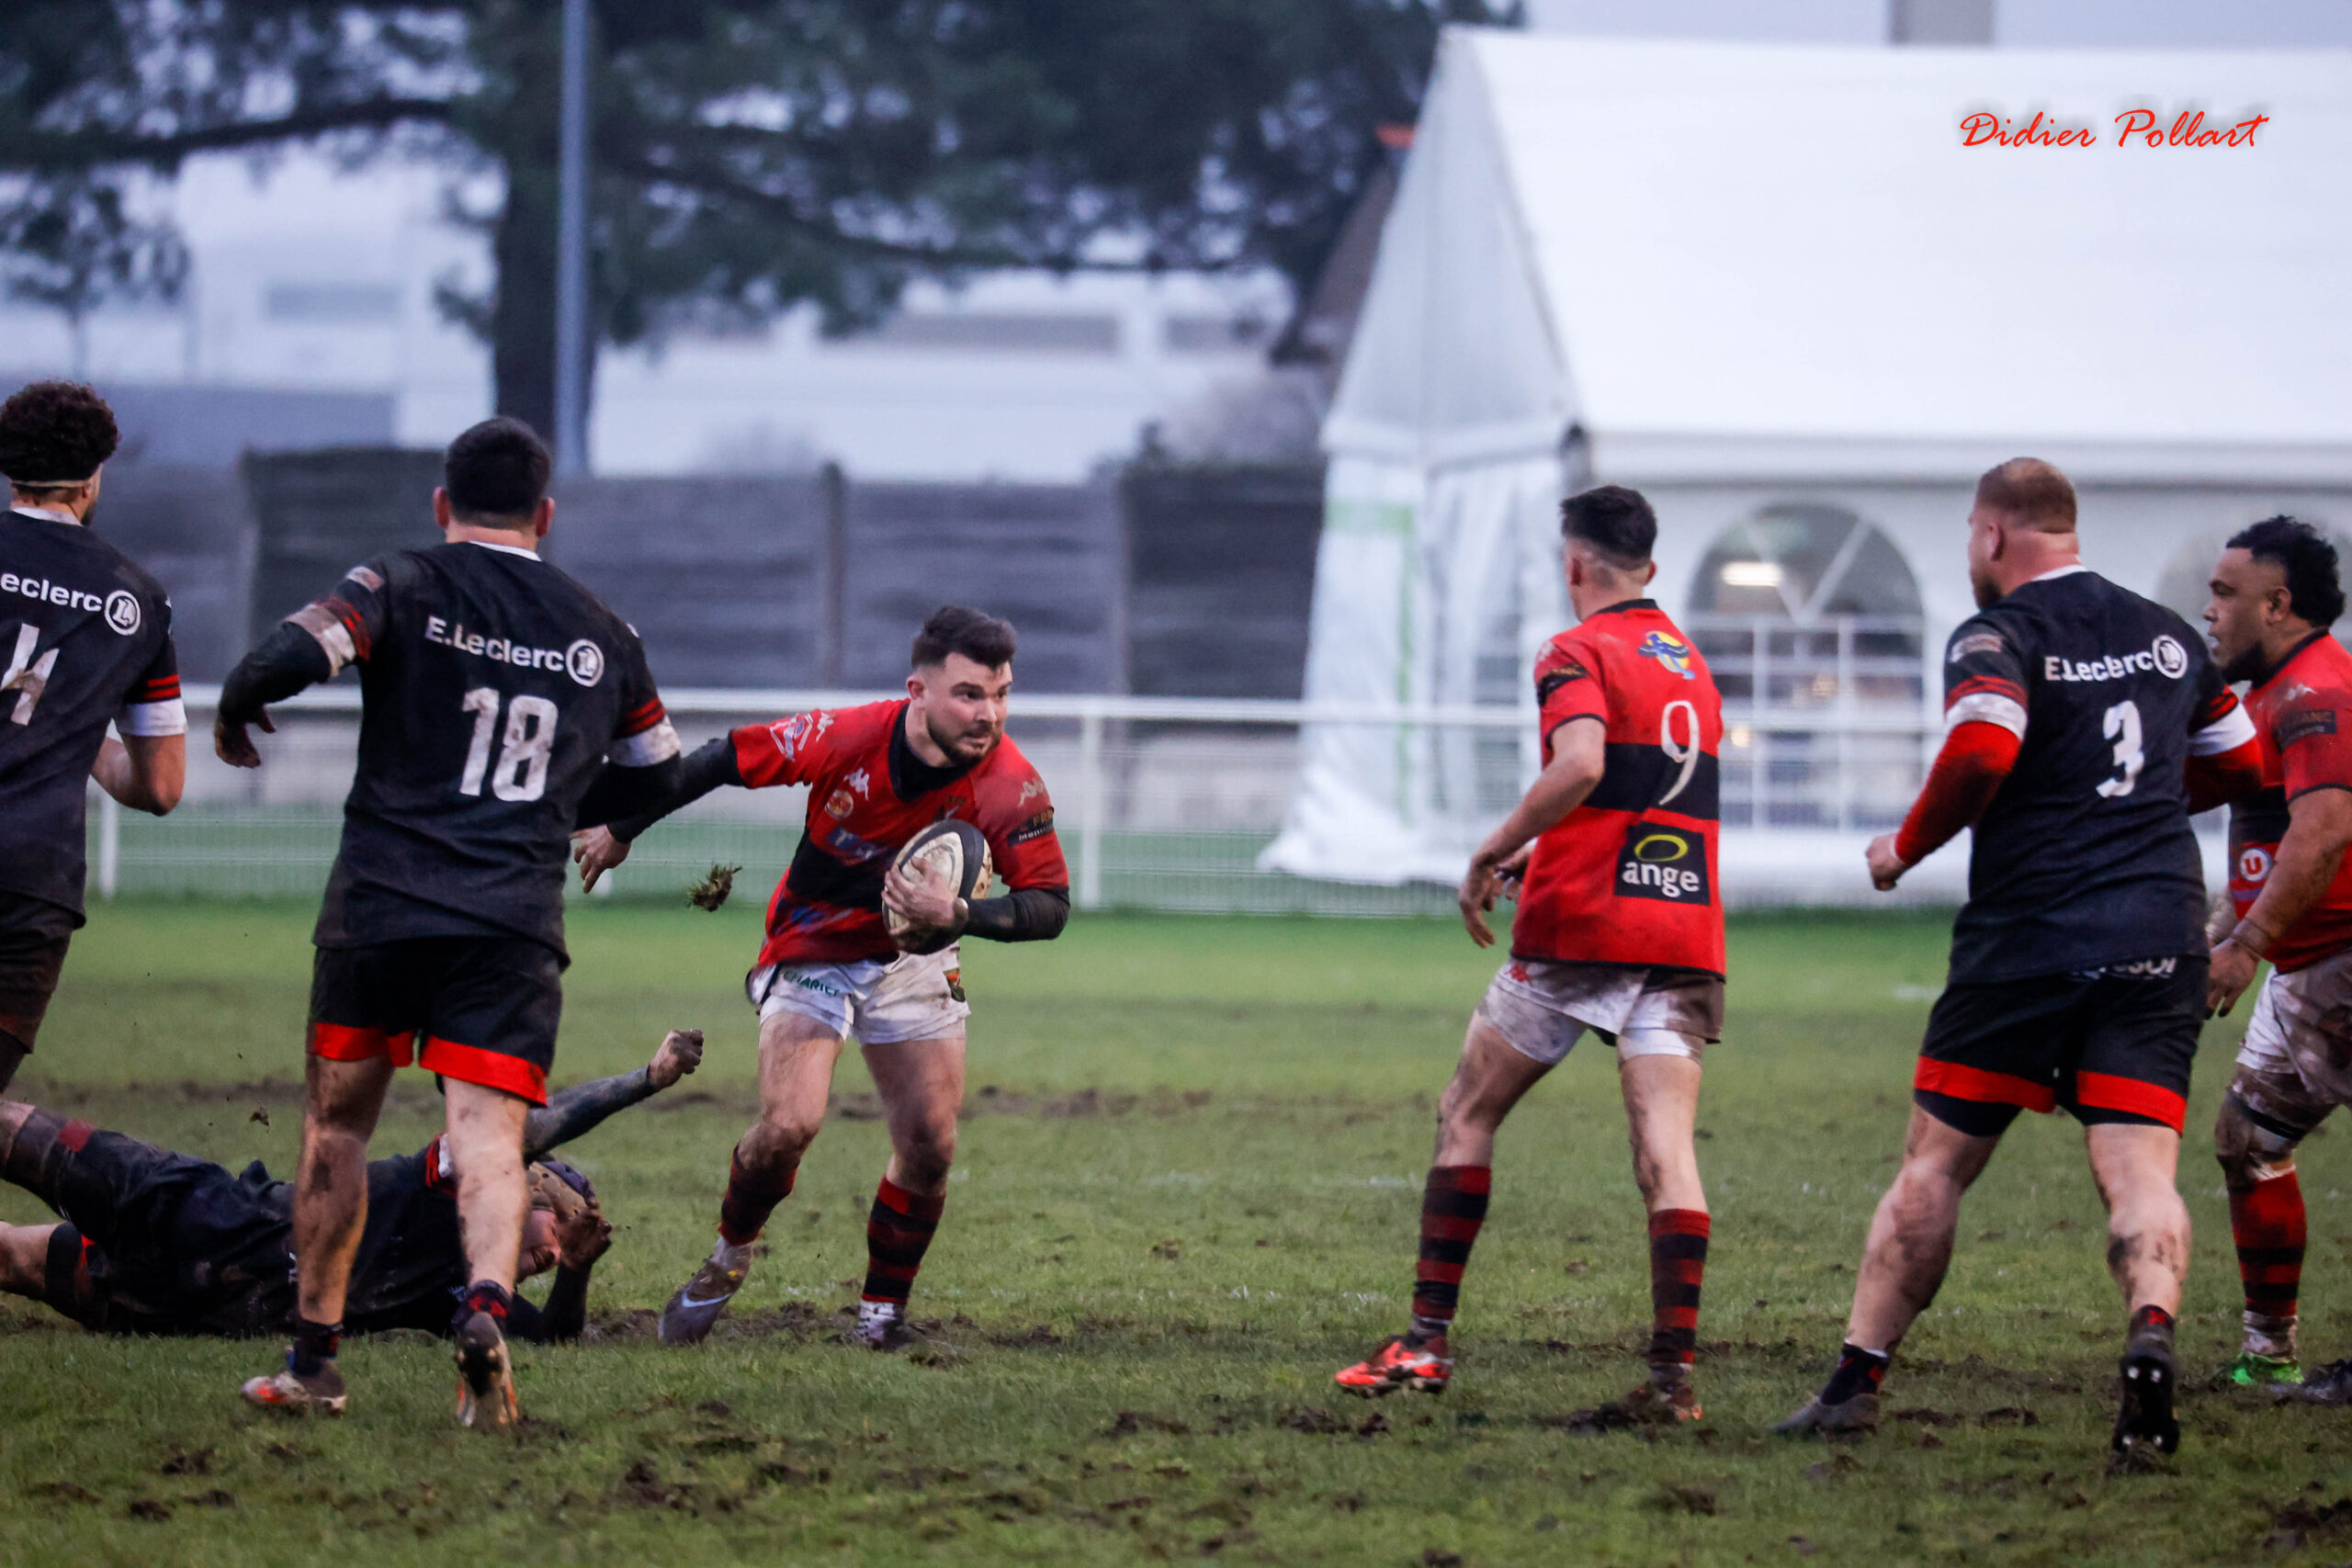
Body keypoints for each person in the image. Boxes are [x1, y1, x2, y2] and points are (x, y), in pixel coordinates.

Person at [1774, 458, 2263, 1458]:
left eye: (1971, 533)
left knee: (1936, 1162)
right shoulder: (2170, 634)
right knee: (2138, 1168)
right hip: (2157, 935)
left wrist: (1904, 847)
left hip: (2026, 941)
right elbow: (2245, 762)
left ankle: (1854, 1383)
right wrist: (2138, 804)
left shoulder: (1999, 634)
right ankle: (2151, 1330)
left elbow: (1983, 747)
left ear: (1993, 534)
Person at [213, 418, 683, 1427]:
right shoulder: (605, 629)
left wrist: (236, 702)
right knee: (489, 1141)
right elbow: (659, 771)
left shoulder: (400, 581)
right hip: (510, 923)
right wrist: (577, 809)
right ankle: (484, 1313)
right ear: (545, 514)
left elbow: (292, 652)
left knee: (337, 1130)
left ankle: (313, 1364)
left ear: (442, 504)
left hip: (379, 908)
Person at [571, 604, 1069, 1350]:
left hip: (915, 956)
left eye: (1001, 695)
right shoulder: (847, 736)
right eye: (969, 694)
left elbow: (1050, 904)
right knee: (788, 1128)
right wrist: (621, 826)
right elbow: (720, 759)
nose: (988, 714)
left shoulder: (1010, 783)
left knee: (931, 1145)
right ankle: (728, 1256)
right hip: (813, 946)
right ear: (918, 690)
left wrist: (960, 912)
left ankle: (880, 1320)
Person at [1330, 485, 1726, 1421]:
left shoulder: (1575, 650)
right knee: (1666, 1155)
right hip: (1683, 930)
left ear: (1572, 563)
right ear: (1650, 567)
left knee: (1466, 1110)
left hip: (1587, 930)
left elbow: (1582, 763)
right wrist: (1544, 850)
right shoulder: (1690, 666)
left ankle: (1426, 1343)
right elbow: (1637, 798)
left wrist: (1493, 847)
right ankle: (1672, 1382)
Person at [0, 1031, 704, 1376]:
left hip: (183, 1305)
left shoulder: (458, 1294)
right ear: (525, 1186)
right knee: (15, 1135)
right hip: (193, 1209)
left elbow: (549, 1338)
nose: (555, 1247)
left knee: (13, 1259)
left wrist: (575, 1271)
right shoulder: (451, 1178)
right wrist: (644, 1079)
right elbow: (533, 1127)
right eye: (562, 1224)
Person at [2198, 518, 2352, 1395]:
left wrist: (2248, 946)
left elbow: (2323, 832)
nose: (2210, 612)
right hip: (2309, 970)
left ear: (2278, 604)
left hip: (2344, 961)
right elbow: (2268, 846)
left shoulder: (2316, 692)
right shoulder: (2270, 695)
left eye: (2225, 594)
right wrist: (2226, 929)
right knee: (2249, 1140)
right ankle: (2269, 1355)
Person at [0, 381, 186, 1094]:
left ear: (10, 473)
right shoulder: (138, 600)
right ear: (91, 480)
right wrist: (72, 737)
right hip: (31, 887)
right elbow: (161, 786)